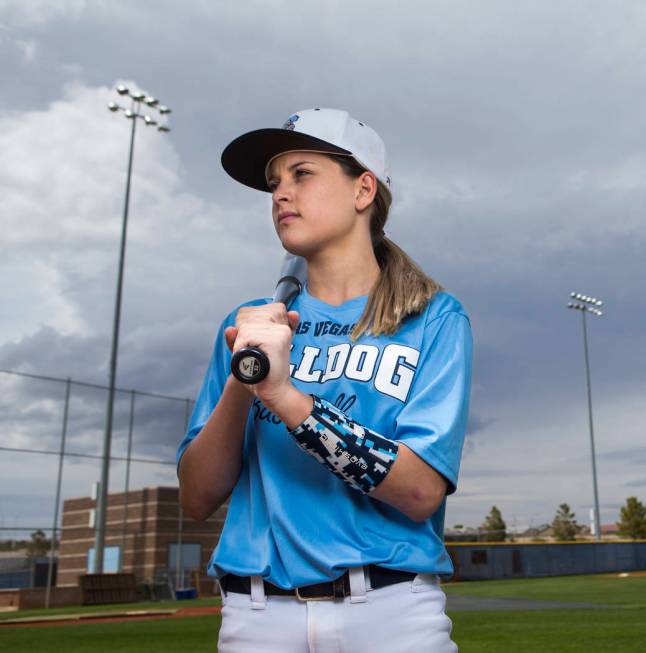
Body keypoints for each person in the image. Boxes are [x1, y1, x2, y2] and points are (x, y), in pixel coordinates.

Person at [176, 108, 473, 652]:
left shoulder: (433, 318)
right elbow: (198, 495)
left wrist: (285, 396)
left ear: (363, 190)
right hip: (257, 617)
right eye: (274, 183)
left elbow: (419, 490)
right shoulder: (249, 326)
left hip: (390, 613)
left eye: (302, 174)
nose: (280, 194)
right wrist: (246, 380)